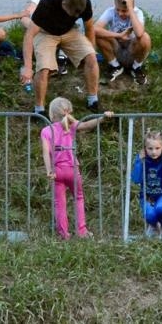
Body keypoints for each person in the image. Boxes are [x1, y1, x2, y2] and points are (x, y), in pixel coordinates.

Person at [21, 0, 100, 115]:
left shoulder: (84, 2)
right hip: (45, 32)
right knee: (44, 68)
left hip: (69, 32)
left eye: (78, 13)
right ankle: (39, 109)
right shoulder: (48, 1)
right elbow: (29, 35)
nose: (75, 15)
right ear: (64, 4)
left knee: (91, 57)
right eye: (73, 13)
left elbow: (90, 28)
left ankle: (93, 100)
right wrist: (28, 67)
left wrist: (91, 50)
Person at [41, 96, 111, 240]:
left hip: (57, 170)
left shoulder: (46, 131)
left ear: (51, 114)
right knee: (78, 198)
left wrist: (49, 170)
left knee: (59, 203)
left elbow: (46, 152)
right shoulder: (71, 125)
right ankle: (82, 231)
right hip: (72, 169)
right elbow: (87, 125)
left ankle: (63, 233)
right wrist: (103, 118)